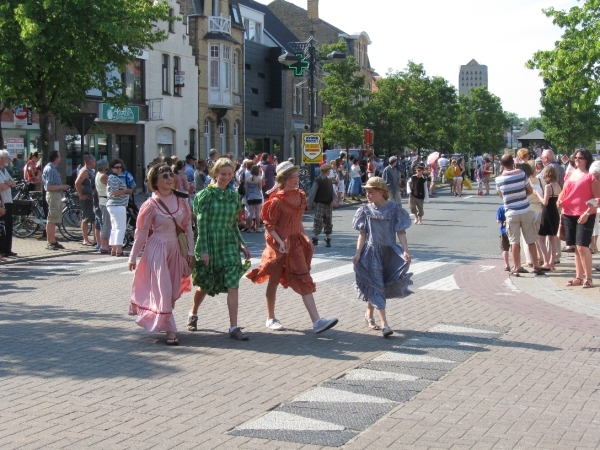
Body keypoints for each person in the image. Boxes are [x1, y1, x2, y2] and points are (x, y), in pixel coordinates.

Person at [246, 161, 339, 333]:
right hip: (279, 245)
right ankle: (270, 318)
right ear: (283, 180)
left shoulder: (300, 195)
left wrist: (305, 237)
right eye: (292, 178)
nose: (296, 181)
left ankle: (317, 321)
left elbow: (298, 220)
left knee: (304, 278)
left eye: (297, 177)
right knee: (273, 281)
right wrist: (280, 242)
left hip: (295, 244)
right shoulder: (275, 201)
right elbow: (269, 226)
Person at [128, 163, 195, 346]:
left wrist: (190, 250)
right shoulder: (150, 204)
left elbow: (187, 227)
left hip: (175, 250)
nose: (168, 178)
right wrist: (133, 256)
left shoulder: (181, 201)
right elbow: (141, 232)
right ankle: (171, 332)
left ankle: (162, 319)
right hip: (157, 250)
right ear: (154, 181)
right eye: (164, 176)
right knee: (163, 290)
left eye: (170, 175)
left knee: (171, 292)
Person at [188, 157, 252, 341]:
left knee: (233, 284)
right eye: (223, 174)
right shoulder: (205, 196)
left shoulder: (234, 197)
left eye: (230, 174)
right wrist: (204, 250)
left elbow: (233, 224)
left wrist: (242, 245)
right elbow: (202, 225)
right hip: (211, 243)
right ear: (215, 174)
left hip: (229, 244)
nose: (226, 177)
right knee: (205, 285)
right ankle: (193, 313)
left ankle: (233, 327)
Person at [352, 177, 412, 337]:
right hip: (371, 254)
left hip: (390, 253)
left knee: (381, 286)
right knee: (376, 285)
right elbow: (362, 234)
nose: (367, 194)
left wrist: (405, 250)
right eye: (366, 191)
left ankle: (369, 315)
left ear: (381, 192)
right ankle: (385, 325)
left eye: (370, 191)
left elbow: (401, 232)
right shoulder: (365, 210)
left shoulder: (394, 209)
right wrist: (358, 253)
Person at [557, 149, 600, 288]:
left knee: (582, 246)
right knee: (575, 247)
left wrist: (587, 213)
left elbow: (597, 199)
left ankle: (588, 278)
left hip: (585, 214)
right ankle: (578, 277)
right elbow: (563, 191)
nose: (577, 160)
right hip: (568, 213)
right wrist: (559, 200)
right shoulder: (570, 174)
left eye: (580, 158)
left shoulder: (590, 177)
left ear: (587, 159)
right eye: (576, 157)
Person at [496, 154, 543, 276]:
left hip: (511, 212)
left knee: (514, 242)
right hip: (525, 209)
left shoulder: (498, 180)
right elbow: (529, 191)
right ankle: (536, 266)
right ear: (513, 162)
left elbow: (502, 195)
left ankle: (517, 267)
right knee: (531, 240)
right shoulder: (522, 174)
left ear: (501, 164)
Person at [42, 150, 70, 251]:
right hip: (53, 195)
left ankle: (53, 240)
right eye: (59, 156)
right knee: (52, 218)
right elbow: (49, 186)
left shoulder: (52, 168)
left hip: (56, 195)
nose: (60, 158)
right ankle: (50, 241)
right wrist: (62, 186)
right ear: (56, 157)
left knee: (54, 219)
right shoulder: (50, 169)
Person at [535, 165, 561, 271]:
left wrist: (537, 194)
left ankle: (546, 261)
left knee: (541, 238)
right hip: (555, 212)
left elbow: (545, 202)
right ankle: (552, 262)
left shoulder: (548, 187)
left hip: (547, 213)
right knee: (552, 238)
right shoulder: (558, 186)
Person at [307, 163, 338, 247]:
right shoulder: (318, 181)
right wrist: (309, 204)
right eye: (329, 170)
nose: (330, 171)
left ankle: (328, 239)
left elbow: (333, 193)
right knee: (318, 221)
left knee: (328, 221)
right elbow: (313, 193)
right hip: (320, 203)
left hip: (328, 204)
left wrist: (335, 200)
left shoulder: (329, 181)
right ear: (326, 171)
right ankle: (315, 238)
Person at [107, 159, 133, 257]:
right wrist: (126, 190)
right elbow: (114, 192)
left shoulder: (113, 177)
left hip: (114, 205)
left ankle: (114, 249)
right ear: (112, 168)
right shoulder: (113, 178)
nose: (119, 169)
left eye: (120, 167)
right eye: (116, 167)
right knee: (120, 227)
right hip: (117, 205)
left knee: (114, 227)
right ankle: (119, 249)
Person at [74, 155, 96, 246]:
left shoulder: (90, 171)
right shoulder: (84, 171)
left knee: (94, 218)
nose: (95, 163)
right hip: (86, 198)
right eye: (94, 161)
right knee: (86, 218)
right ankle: (85, 239)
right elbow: (77, 183)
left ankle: (96, 239)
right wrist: (81, 195)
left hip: (91, 197)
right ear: (90, 162)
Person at [0, 150, 17, 257]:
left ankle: (8, 249)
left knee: (9, 225)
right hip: (2, 202)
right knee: (3, 227)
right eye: (6, 157)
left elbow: (13, 183)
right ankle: (1, 250)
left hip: (9, 200)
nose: (8, 159)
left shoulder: (5, 170)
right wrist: (8, 184)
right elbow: (1, 186)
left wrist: (9, 184)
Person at [95, 159, 112, 254]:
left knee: (104, 223)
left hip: (101, 200)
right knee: (107, 224)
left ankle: (105, 244)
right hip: (105, 201)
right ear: (104, 166)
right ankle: (105, 246)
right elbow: (113, 185)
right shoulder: (104, 176)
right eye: (107, 165)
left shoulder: (97, 175)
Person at [244, 164, 264, 232]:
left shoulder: (248, 179)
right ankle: (257, 228)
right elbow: (260, 188)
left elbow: (246, 189)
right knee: (258, 213)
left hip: (250, 196)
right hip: (258, 196)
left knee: (250, 212)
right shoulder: (259, 179)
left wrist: (247, 196)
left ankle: (249, 228)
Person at [496, 204, 510, 271]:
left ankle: (507, 265)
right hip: (513, 230)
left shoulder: (501, 208)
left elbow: (498, 221)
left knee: (505, 249)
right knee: (515, 247)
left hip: (504, 231)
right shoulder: (513, 206)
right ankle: (517, 265)